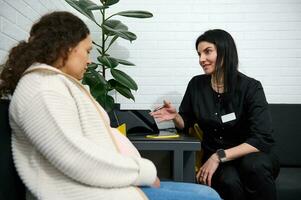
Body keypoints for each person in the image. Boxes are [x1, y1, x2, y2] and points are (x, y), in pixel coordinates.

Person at [0, 11, 221, 200]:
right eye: (87, 51)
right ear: (65, 47)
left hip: (104, 185)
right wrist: (143, 171)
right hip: (88, 192)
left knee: (206, 192)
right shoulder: (42, 88)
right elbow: (76, 158)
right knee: (207, 196)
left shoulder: (53, 84)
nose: (89, 60)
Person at [151, 29, 280, 200]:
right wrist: (176, 117)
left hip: (252, 156)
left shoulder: (251, 87)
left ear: (225, 51)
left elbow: (261, 138)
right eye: (199, 54)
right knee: (229, 181)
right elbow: (187, 121)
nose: (201, 59)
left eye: (207, 52)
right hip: (221, 160)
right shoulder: (196, 84)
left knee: (253, 166)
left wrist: (217, 156)